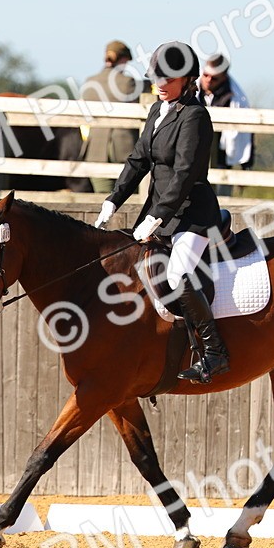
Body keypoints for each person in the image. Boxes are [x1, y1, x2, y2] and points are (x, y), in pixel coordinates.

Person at [94, 41, 229, 384]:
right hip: (158, 210)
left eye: (168, 78)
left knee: (175, 276)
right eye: (156, 77)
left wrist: (159, 217)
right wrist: (113, 201)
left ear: (187, 79)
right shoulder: (157, 110)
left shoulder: (195, 116)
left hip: (192, 215)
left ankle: (214, 354)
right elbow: (138, 160)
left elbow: (184, 174)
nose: (160, 84)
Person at [81, 40, 143, 194]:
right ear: (123, 60)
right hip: (122, 149)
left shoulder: (90, 82)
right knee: (127, 199)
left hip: (95, 150)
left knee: (102, 198)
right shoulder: (128, 82)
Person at [198, 53, 254, 196]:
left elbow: (245, 136)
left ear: (224, 77)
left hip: (222, 156)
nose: (208, 80)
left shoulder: (236, 100)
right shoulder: (192, 91)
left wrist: (245, 168)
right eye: (205, 75)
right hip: (194, 154)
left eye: (214, 78)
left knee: (222, 199)